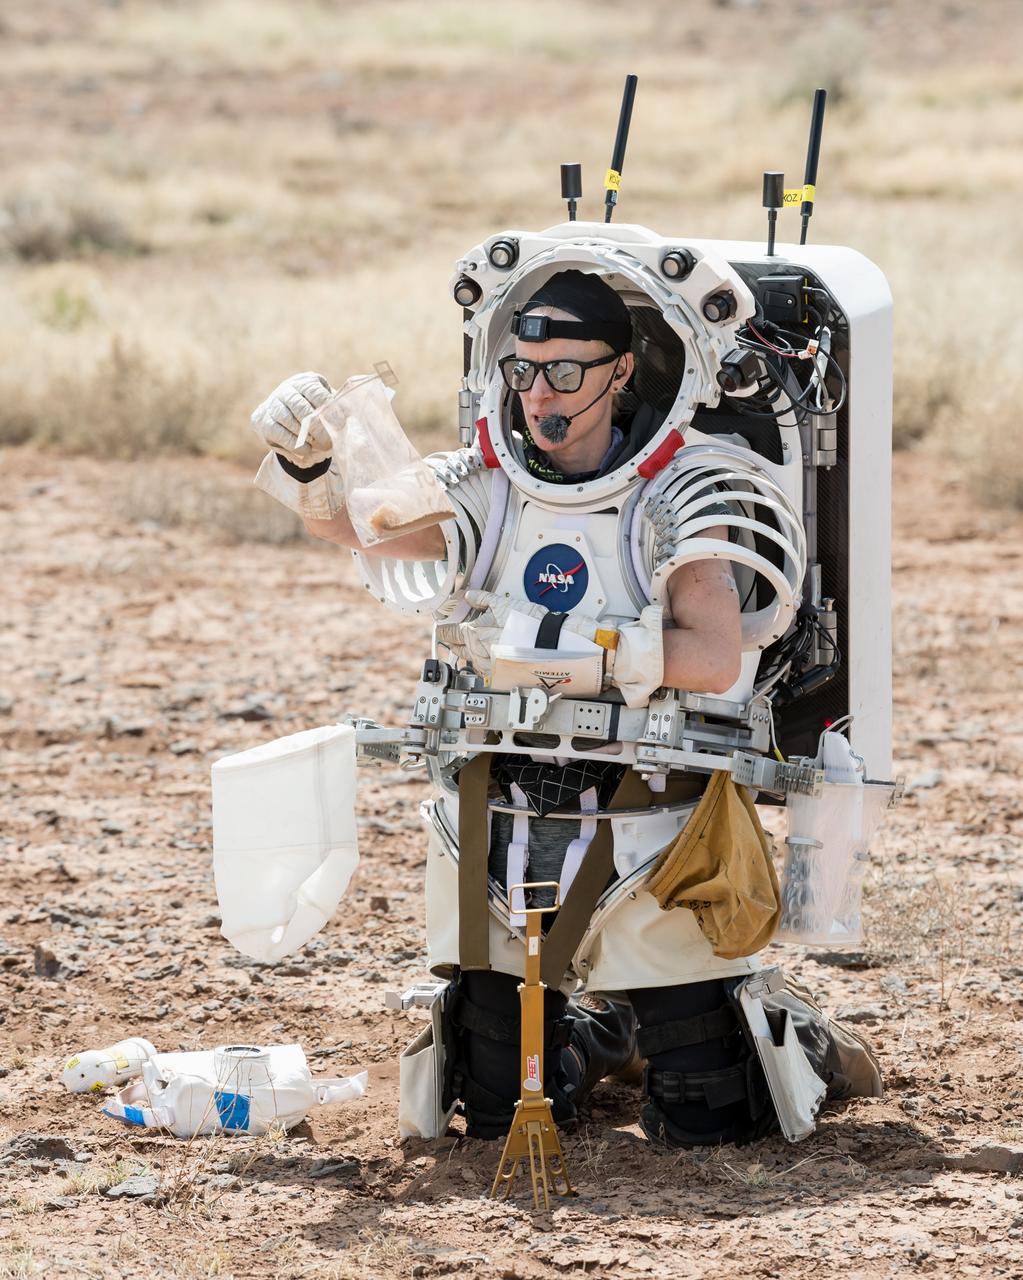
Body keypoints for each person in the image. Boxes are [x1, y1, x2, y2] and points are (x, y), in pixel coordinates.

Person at [249, 269, 879, 1149]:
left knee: (711, 1114)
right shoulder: (487, 478)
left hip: (652, 821)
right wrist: (305, 457)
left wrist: (590, 659)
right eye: (524, 371)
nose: (539, 394)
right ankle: (600, 1033)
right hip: (497, 813)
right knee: (496, 1107)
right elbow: (361, 523)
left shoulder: (684, 488)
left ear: (621, 372)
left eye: (566, 373)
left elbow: (710, 654)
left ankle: (806, 1037)